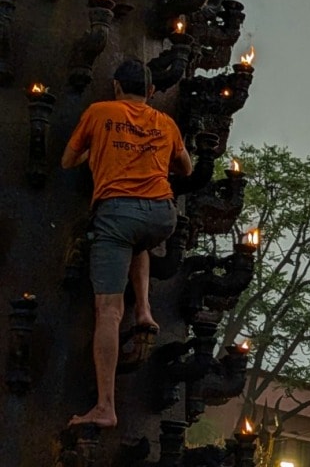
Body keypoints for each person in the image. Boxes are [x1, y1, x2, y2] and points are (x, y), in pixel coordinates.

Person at [61, 58, 193, 427]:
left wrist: (97, 152)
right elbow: (187, 168)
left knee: (107, 311)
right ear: (150, 92)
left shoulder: (100, 111)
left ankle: (105, 407)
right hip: (161, 215)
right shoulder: (165, 123)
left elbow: (68, 160)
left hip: (116, 215)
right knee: (141, 239)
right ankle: (146, 311)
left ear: (117, 87)